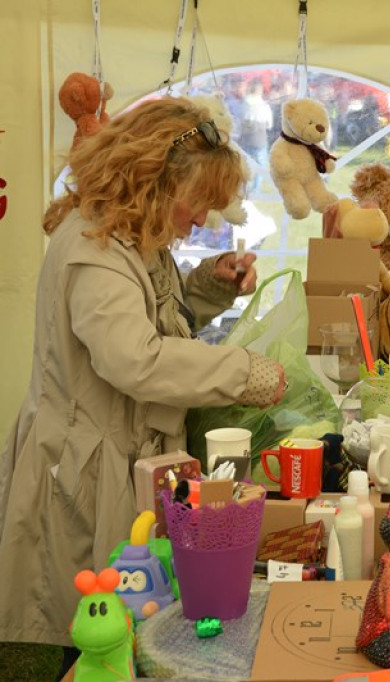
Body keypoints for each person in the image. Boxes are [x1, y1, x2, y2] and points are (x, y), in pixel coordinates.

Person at [0, 97, 287, 680]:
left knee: (129, 611)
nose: (204, 218)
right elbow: (134, 359)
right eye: (199, 200)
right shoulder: (93, 246)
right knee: (97, 622)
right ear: (156, 180)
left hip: (125, 456)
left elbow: (159, 320)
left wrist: (208, 286)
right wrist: (241, 371)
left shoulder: (132, 237)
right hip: (87, 466)